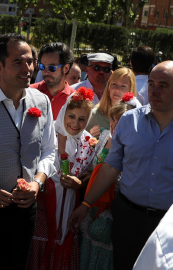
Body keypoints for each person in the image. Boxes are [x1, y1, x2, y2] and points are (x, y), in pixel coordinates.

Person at [68, 61, 173, 270]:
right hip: (127, 218)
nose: (154, 90)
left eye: (163, 85)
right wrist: (86, 204)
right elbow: (110, 167)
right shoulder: (128, 121)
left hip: (167, 226)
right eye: (151, 84)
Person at [0, 33, 56, 270]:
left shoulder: (42, 101)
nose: (27, 68)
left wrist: (37, 182)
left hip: (25, 210)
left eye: (30, 61)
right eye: (18, 62)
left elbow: (49, 150)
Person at [28, 88, 96, 270]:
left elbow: (88, 174)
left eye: (82, 119)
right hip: (44, 203)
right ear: (64, 112)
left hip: (69, 208)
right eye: (71, 116)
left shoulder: (88, 142)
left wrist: (81, 183)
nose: (75, 123)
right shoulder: (49, 134)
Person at [80, 93, 141, 270]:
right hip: (92, 212)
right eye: (113, 119)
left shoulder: (134, 147)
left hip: (112, 218)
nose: (114, 125)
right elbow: (93, 164)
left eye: (120, 122)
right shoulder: (106, 135)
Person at [86, 67, 140, 138]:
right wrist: (89, 136)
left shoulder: (136, 117)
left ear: (130, 89)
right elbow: (82, 143)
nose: (117, 89)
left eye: (123, 86)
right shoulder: (95, 115)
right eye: (114, 84)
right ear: (108, 86)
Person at [30, 42, 76, 120]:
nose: (46, 72)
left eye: (52, 68)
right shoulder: (29, 92)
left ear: (66, 68)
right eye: (42, 66)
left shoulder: (75, 99)